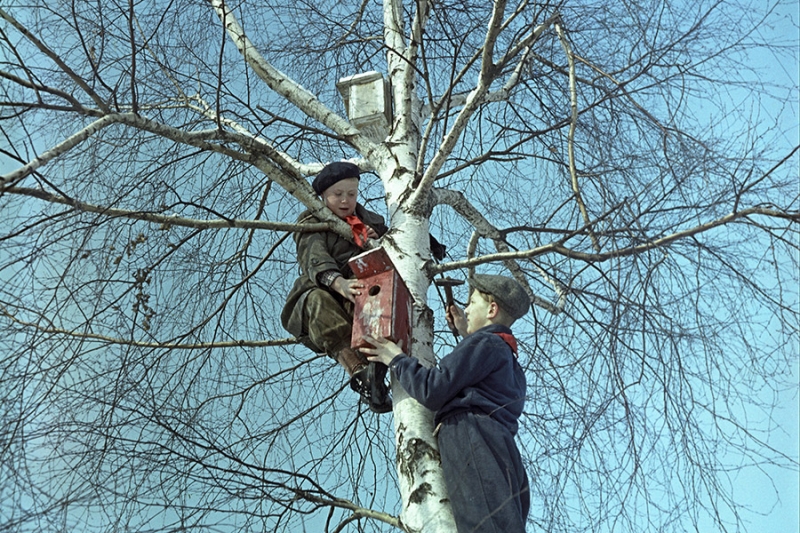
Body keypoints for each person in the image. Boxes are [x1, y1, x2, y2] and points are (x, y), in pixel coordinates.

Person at [360, 274, 530, 532]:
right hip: (501, 452)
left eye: (472, 303)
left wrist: (395, 358)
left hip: (475, 439)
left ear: (492, 309)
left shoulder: (486, 343)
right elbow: (476, 375)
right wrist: (466, 331)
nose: (467, 309)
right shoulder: (508, 360)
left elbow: (433, 388)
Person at [281, 161, 393, 413]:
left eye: (351, 194)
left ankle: (378, 369)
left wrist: (381, 241)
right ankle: (359, 372)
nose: (345, 200)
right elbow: (314, 256)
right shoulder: (312, 220)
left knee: (380, 301)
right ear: (323, 196)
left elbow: (401, 242)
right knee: (318, 301)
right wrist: (338, 282)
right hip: (324, 296)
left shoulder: (368, 222)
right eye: (337, 194)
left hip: (363, 298)